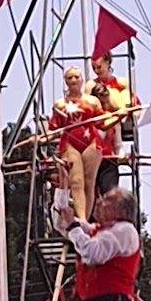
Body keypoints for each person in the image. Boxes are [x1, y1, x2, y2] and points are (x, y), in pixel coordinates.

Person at [49, 66, 104, 221]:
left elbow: (102, 123)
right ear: (65, 81)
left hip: (91, 142)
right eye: (70, 77)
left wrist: (119, 117)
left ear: (82, 80)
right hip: (69, 143)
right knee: (76, 181)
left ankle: (85, 220)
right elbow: (54, 128)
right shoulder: (59, 104)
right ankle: (81, 219)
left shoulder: (92, 101)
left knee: (89, 182)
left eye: (76, 77)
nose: (73, 80)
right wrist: (42, 138)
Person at [90, 82, 126, 196]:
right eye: (101, 102)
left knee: (109, 193)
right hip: (90, 162)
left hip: (108, 162)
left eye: (105, 101)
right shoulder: (86, 119)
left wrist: (121, 156)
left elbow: (118, 145)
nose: (103, 105)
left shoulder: (113, 119)